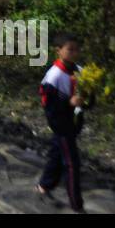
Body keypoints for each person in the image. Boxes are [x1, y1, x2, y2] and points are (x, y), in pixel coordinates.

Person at [36, 33, 84, 212]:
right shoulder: (53, 76)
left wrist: (85, 101)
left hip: (74, 123)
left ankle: (44, 186)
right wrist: (68, 103)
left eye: (76, 49)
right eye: (70, 49)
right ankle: (76, 205)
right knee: (72, 164)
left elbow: (88, 96)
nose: (74, 53)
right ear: (59, 51)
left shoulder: (80, 71)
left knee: (57, 154)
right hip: (61, 124)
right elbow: (48, 104)